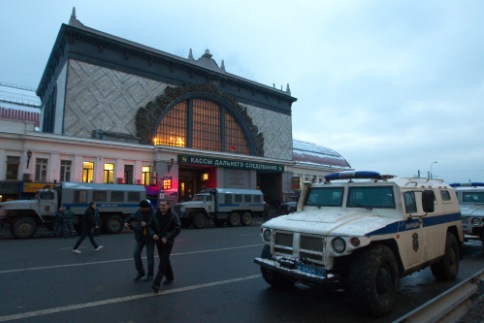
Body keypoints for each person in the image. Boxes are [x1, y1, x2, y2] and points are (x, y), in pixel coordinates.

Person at [148, 199, 181, 293]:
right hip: (158, 241)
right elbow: (150, 225)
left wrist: (167, 237)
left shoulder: (173, 216)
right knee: (165, 259)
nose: (161, 207)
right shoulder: (156, 215)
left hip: (167, 242)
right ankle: (170, 277)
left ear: (168, 206)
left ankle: (156, 283)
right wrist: (153, 234)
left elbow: (177, 228)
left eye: (164, 205)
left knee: (162, 261)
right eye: (160, 205)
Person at [124, 200, 155, 282]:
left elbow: (155, 224)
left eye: (142, 208)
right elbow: (132, 217)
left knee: (150, 258)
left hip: (150, 238)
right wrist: (126, 222)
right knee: (136, 254)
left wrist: (147, 224)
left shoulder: (153, 213)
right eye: (140, 208)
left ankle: (150, 274)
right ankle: (140, 272)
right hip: (140, 237)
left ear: (147, 208)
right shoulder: (139, 211)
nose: (140, 209)